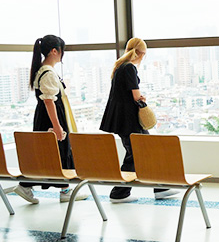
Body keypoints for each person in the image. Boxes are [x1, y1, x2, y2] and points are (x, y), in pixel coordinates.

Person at [11, 35, 88, 204]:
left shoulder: (41, 69)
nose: (62, 54)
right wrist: (57, 126)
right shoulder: (48, 73)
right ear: (54, 51)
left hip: (44, 117)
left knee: (47, 152)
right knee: (58, 151)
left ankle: (41, 186)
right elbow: (49, 101)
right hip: (51, 118)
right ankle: (62, 190)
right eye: (62, 51)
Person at [100, 38, 178, 203]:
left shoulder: (119, 67)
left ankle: (158, 188)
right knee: (139, 152)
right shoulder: (129, 68)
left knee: (140, 151)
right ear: (141, 53)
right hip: (129, 119)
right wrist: (142, 98)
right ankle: (120, 192)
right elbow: (135, 96)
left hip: (121, 119)